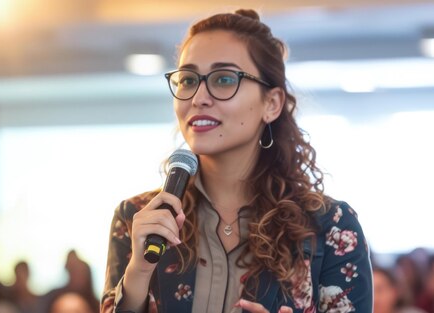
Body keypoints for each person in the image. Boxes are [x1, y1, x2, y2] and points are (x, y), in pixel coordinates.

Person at [101, 9, 373, 313]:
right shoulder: (140, 219)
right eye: (188, 80)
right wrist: (139, 270)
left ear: (271, 104)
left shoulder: (330, 227)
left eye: (224, 79)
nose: (198, 97)